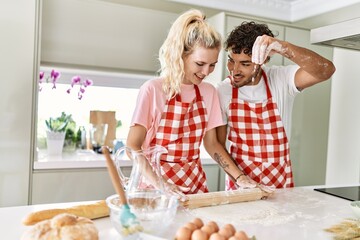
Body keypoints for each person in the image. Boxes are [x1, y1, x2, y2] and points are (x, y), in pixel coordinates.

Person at [126, 9, 255, 197]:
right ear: (181, 55)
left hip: (195, 184)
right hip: (154, 188)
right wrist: (162, 185)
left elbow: (212, 144)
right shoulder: (153, 90)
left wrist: (240, 178)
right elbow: (132, 146)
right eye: (200, 63)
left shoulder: (209, 92)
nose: (206, 72)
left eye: (212, 64)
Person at [216, 21, 336, 190]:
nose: (234, 70)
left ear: (263, 60)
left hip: (280, 184)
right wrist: (240, 178)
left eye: (245, 64)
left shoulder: (281, 79)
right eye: (231, 60)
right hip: (241, 186)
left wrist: (282, 47)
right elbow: (218, 145)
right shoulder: (223, 91)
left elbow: (326, 70)